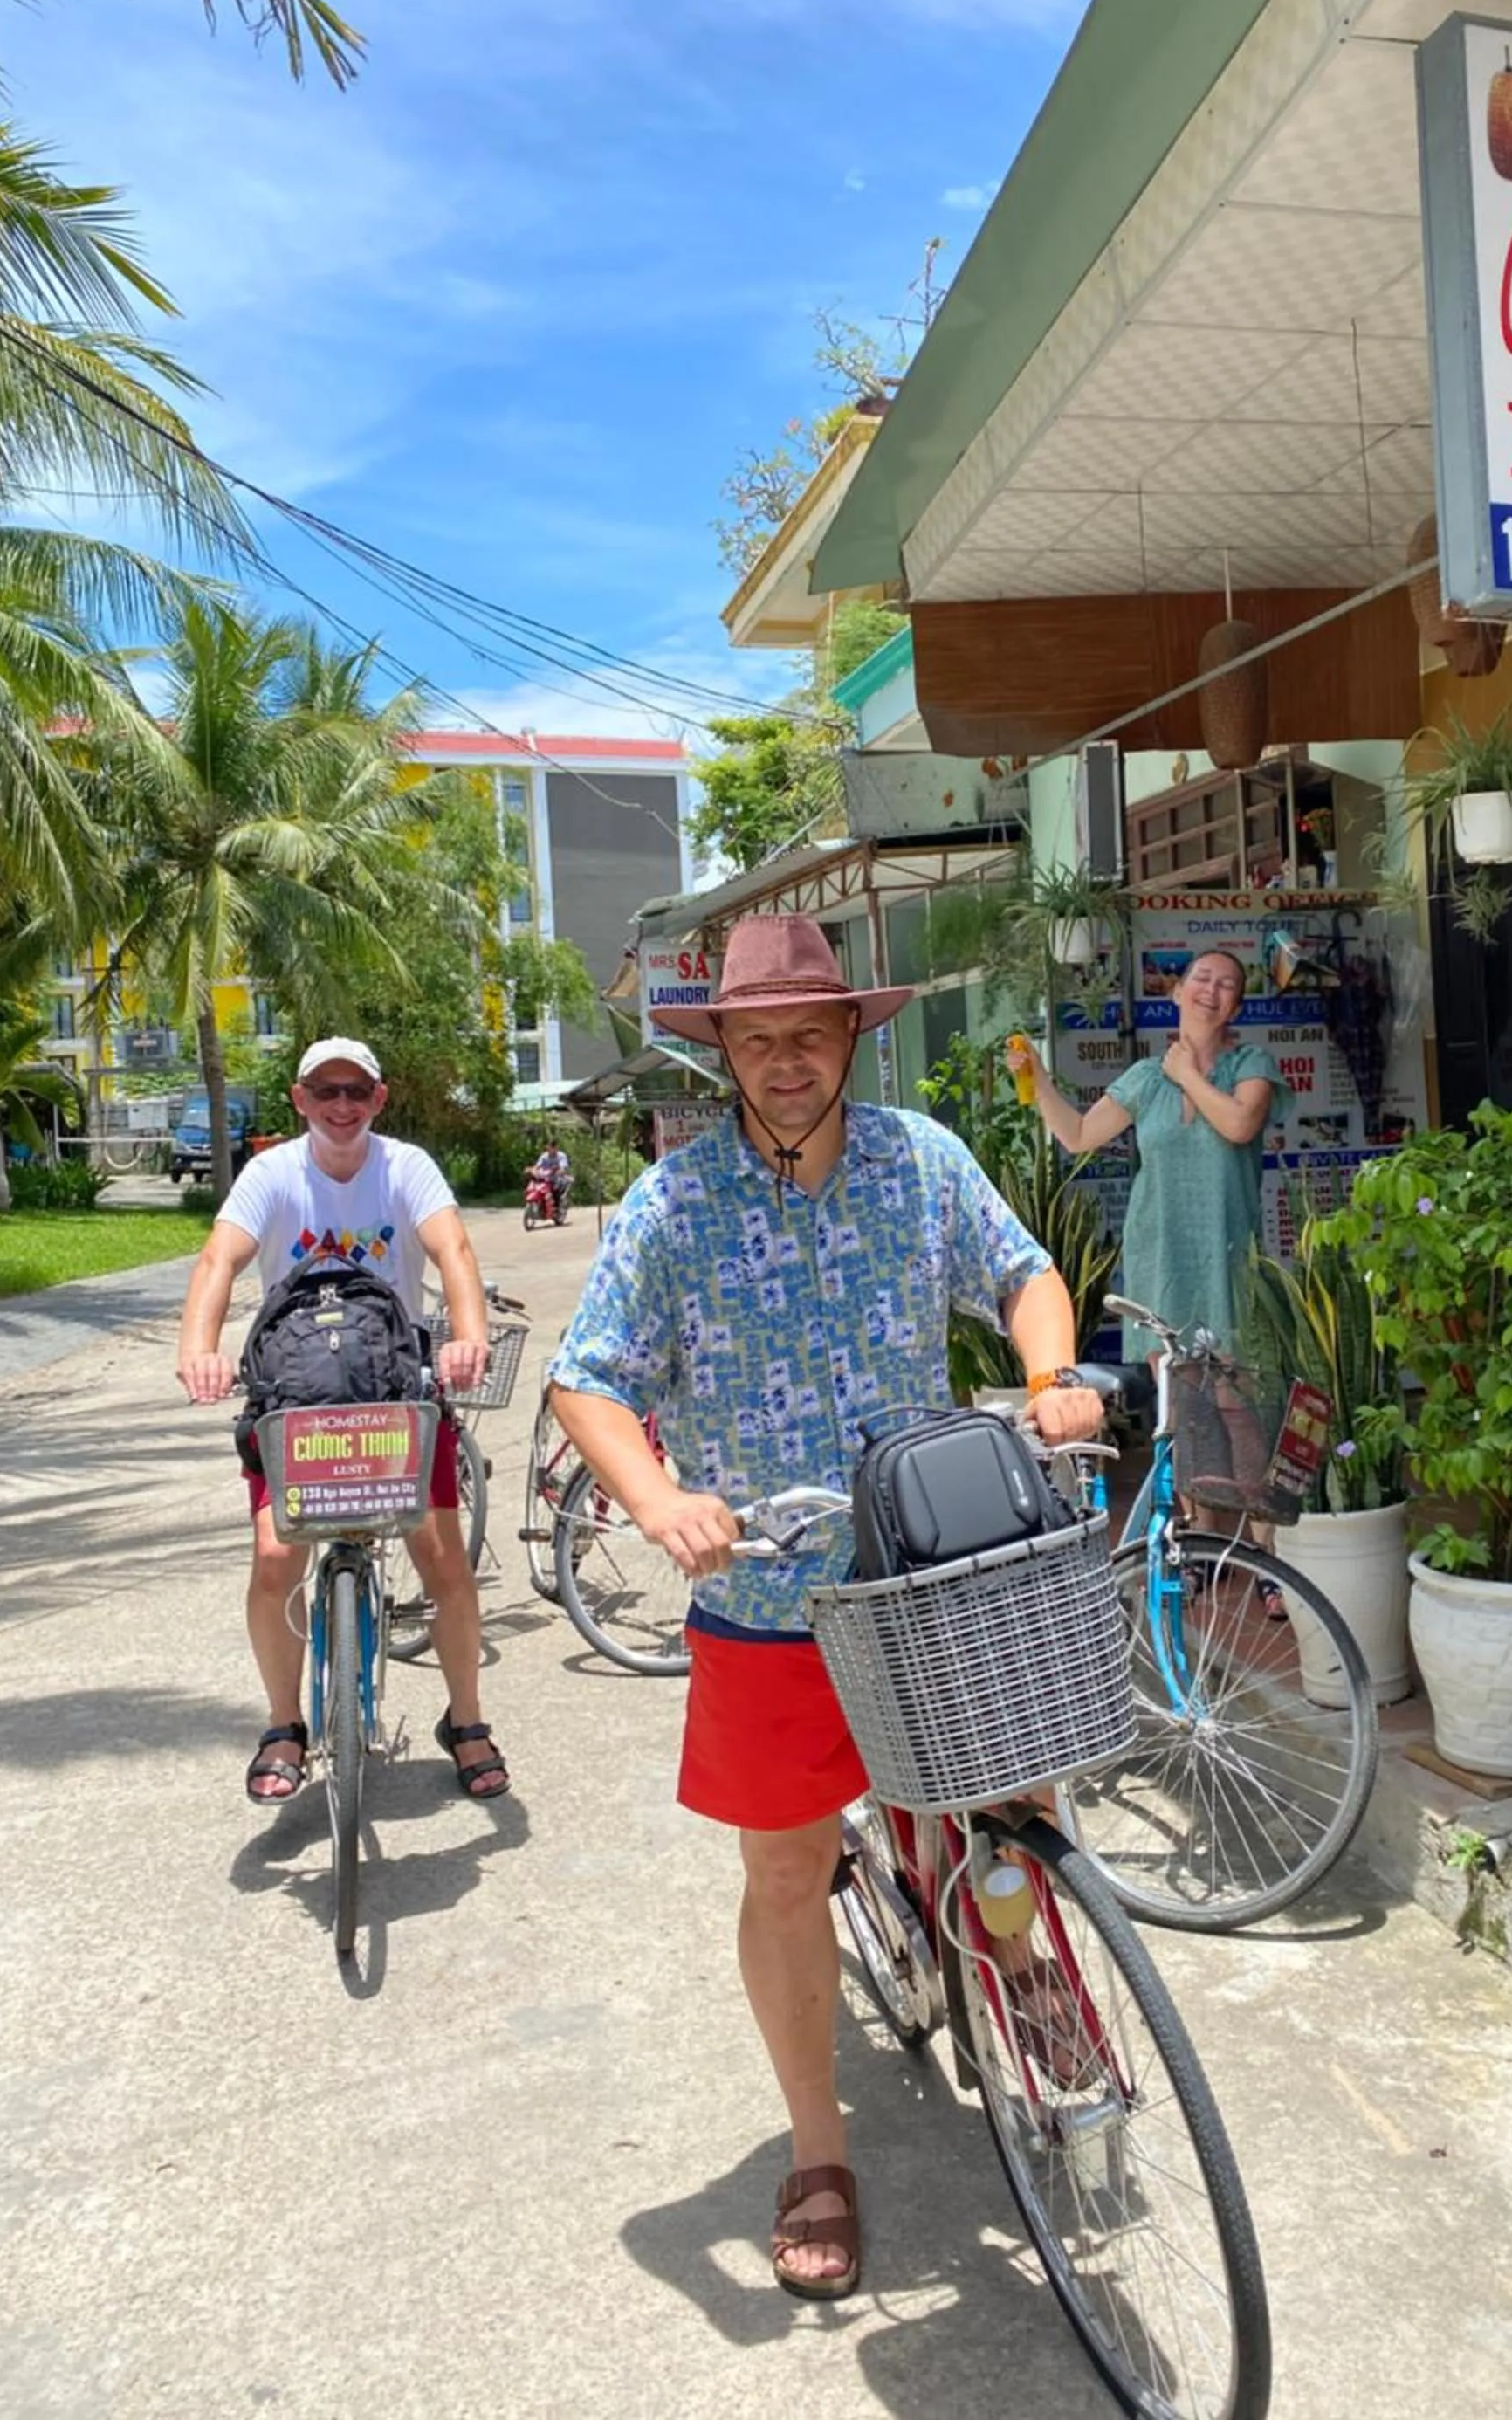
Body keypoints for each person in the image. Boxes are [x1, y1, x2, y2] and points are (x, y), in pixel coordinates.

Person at [546, 917, 1103, 2303]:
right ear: (721, 1050)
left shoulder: (923, 1161)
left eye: (808, 1033)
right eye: (755, 1039)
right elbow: (587, 1380)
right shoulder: (671, 1210)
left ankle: (1024, 1965)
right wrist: (659, 1496)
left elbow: (1026, 1274)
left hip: (928, 1567)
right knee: (785, 1871)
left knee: (1012, 1806)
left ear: (853, 1034)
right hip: (767, 1590)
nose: (784, 1062)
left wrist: (1046, 1379)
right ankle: (816, 2148)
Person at [175, 1038, 509, 1805]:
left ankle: (467, 1720)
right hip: (296, 1399)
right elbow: (218, 1263)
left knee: (444, 1562)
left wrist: (468, 1336)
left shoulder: (406, 1167)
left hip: (395, 1392)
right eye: (326, 1090)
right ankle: (285, 1724)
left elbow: (451, 1246)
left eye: (357, 1090)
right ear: (300, 1099)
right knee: (273, 1559)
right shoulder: (271, 1174)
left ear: (378, 1099)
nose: (342, 1105)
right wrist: (200, 1349)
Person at [1009, 945, 1281, 1509]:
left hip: (1226, 1255)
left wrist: (1186, 1073)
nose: (1211, 989)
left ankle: (1265, 1552)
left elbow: (1238, 1124)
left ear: (1236, 1005)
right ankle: (1199, 1541)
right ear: (1177, 992)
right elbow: (1080, 1135)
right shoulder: (1144, 1079)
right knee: (1185, 1415)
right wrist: (1038, 1078)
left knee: (1237, 1409)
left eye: (1227, 984)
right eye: (1201, 978)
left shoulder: (1250, 1065)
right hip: (1163, 1261)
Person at [528, 1136, 572, 1220]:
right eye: (548, 1148)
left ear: (556, 1148)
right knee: (537, 1186)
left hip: (557, 1179)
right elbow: (537, 1166)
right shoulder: (544, 1156)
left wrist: (561, 1171)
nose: (549, 1150)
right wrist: (534, 1171)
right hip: (545, 1179)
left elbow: (564, 1167)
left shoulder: (561, 1156)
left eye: (551, 1148)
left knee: (556, 1190)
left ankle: (557, 1209)